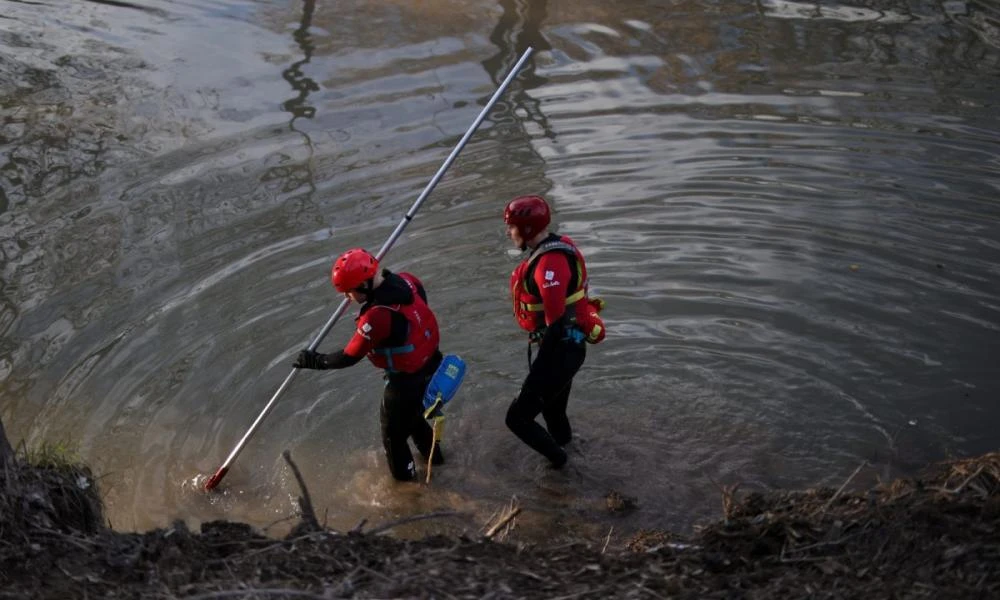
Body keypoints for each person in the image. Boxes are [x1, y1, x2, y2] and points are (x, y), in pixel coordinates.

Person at [293, 248, 445, 482]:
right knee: (414, 419)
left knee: (393, 437)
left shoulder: (378, 316)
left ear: (364, 284)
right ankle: (439, 463)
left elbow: (349, 356)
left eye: (348, 292)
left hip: (405, 382)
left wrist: (314, 360)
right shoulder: (409, 281)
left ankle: (407, 490)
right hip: (431, 366)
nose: (347, 298)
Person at [503, 195, 605, 469]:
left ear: (526, 229)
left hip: (562, 349)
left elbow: (555, 323)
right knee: (553, 411)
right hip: (566, 348)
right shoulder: (553, 251)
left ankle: (561, 465)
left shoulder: (550, 264)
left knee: (517, 419)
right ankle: (570, 453)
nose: (509, 232)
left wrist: (537, 372)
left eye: (512, 226)